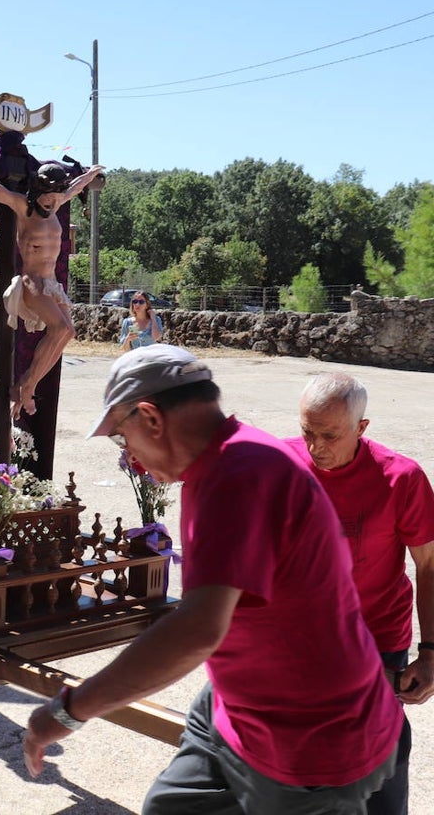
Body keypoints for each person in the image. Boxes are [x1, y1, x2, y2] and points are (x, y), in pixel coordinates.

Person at [21, 345, 402, 813]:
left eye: (123, 439)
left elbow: (198, 629)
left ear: (151, 418)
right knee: (170, 806)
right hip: (238, 710)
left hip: (310, 742)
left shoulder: (238, 475)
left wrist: (68, 710)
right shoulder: (228, 461)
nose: (132, 458)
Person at [286, 372, 434, 815]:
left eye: (329, 435)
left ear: (362, 428)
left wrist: (430, 653)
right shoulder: (282, 465)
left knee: (378, 766)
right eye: (307, 432)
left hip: (374, 642)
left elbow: (428, 565)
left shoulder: (400, 478)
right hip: (298, 642)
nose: (315, 447)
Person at [0, 139, 103, 419]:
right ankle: (26, 386)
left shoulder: (57, 200)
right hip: (31, 283)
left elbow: (76, 187)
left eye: (55, 196)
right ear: (37, 191)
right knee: (59, 328)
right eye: (47, 196)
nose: (51, 201)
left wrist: (91, 174)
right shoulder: (23, 207)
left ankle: (26, 384)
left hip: (51, 284)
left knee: (68, 332)